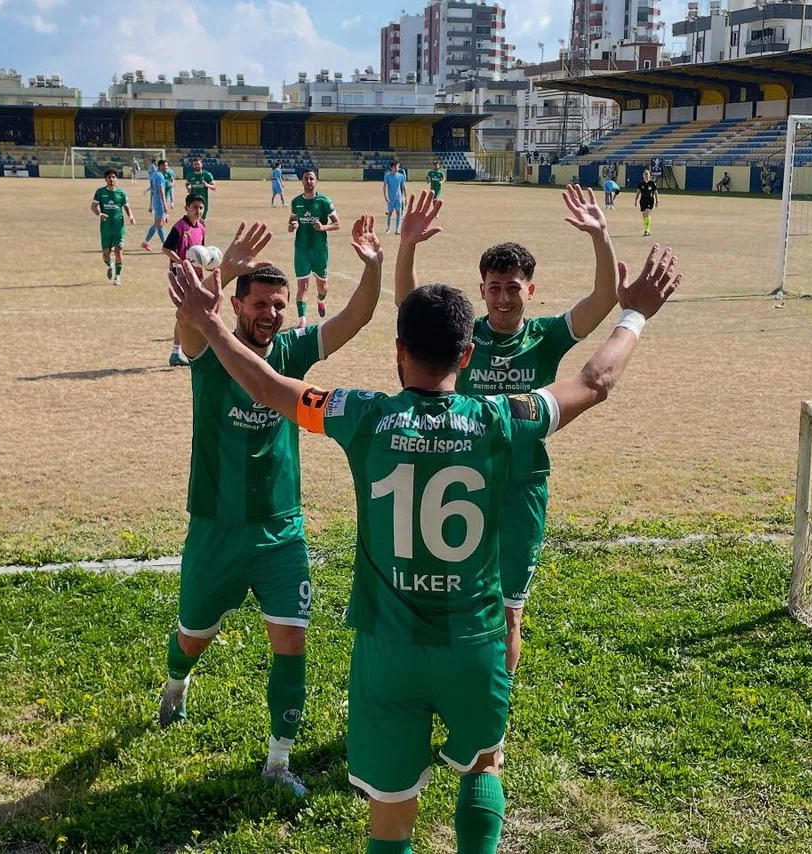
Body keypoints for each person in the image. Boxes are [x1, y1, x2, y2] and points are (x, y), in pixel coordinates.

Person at [168, 233, 680, 854]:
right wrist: (635, 312)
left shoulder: (364, 416)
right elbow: (595, 380)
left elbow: (269, 388)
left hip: (389, 652)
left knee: (390, 814)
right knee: (483, 764)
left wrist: (208, 322)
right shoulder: (501, 420)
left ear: (399, 352)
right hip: (474, 642)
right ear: (467, 354)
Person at [158, 216, 386, 798]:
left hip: (282, 529)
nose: (271, 314)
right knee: (192, 636)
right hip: (215, 527)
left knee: (291, 639)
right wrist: (223, 269)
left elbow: (353, 320)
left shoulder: (290, 349)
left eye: (279, 305)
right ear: (236, 305)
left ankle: (279, 762)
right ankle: (177, 684)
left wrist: (373, 267)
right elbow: (189, 324)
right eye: (260, 304)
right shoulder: (210, 343)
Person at [396, 187, 659, 689]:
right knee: (450, 601)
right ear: (482, 289)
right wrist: (407, 246)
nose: (502, 297)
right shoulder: (463, 335)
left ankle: (495, 706)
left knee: (509, 613)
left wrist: (601, 236)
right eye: (494, 287)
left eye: (512, 287)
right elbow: (410, 306)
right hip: (460, 489)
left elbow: (604, 299)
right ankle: (446, 687)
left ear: (530, 290)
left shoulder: (545, 335)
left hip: (522, 490)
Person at [288, 167, 340, 326]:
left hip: (319, 250)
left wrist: (323, 227)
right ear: (302, 180)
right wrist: (292, 226)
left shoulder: (324, 201)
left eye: (311, 178)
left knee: (322, 287)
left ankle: (320, 300)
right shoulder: (296, 202)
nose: (308, 181)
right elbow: (291, 221)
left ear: (316, 180)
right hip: (301, 249)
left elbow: (337, 224)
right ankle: (302, 321)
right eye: (306, 178)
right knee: (302, 286)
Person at [164, 194, 209, 366]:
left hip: (196, 275)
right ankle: (177, 351)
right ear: (187, 208)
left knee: (193, 312)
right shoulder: (180, 227)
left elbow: (202, 252)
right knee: (186, 311)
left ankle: (187, 349)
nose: (198, 211)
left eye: (201, 207)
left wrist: (208, 264)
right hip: (182, 275)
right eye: (195, 207)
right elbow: (166, 248)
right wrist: (181, 262)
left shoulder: (202, 227)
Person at [90, 168, 134, 285]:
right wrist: (100, 214)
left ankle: (117, 276)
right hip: (105, 228)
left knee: (119, 251)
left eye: (113, 177)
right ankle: (110, 265)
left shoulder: (122, 193)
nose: (111, 179)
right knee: (105, 254)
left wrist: (131, 216)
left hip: (118, 227)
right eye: (109, 177)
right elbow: (93, 206)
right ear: (105, 179)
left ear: (116, 179)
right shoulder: (100, 192)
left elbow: (126, 206)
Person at [142, 159, 171, 252]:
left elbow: (152, 190)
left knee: (159, 224)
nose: (166, 167)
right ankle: (147, 242)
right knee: (158, 224)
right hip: (159, 204)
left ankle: (165, 245)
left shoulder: (154, 175)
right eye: (165, 165)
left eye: (167, 165)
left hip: (155, 202)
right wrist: (165, 205)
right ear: (160, 166)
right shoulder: (160, 176)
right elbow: (160, 190)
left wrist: (151, 204)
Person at [383, 160, 407, 234]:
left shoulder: (401, 176)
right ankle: (388, 228)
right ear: (392, 167)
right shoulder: (387, 176)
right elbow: (384, 186)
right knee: (390, 213)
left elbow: (403, 186)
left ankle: (397, 229)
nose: (397, 168)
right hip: (391, 198)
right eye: (395, 166)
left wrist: (406, 197)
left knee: (398, 213)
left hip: (399, 198)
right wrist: (385, 196)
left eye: (398, 166)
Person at [636, 169, 658, 237]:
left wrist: (657, 201)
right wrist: (635, 200)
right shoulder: (641, 183)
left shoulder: (652, 183)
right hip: (642, 200)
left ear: (649, 175)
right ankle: (646, 229)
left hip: (650, 200)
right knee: (644, 215)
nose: (646, 175)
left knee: (647, 213)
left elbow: (655, 192)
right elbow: (638, 192)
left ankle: (647, 230)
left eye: (647, 174)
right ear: (643, 175)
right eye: (645, 174)